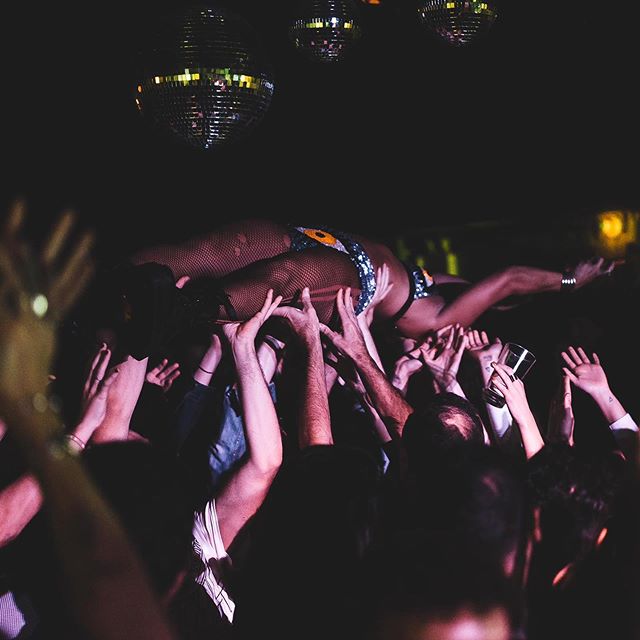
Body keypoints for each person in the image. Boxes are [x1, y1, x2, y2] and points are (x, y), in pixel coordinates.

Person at [124, 220, 616, 350]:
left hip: (350, 278)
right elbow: (509, 282)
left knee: (280, 280)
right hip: (323, 237)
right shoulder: (449, 286)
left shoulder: (444, 320)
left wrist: (573, 282)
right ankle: (92, 289)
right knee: (205, 250)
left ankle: (173, 315)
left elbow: (509, 280)